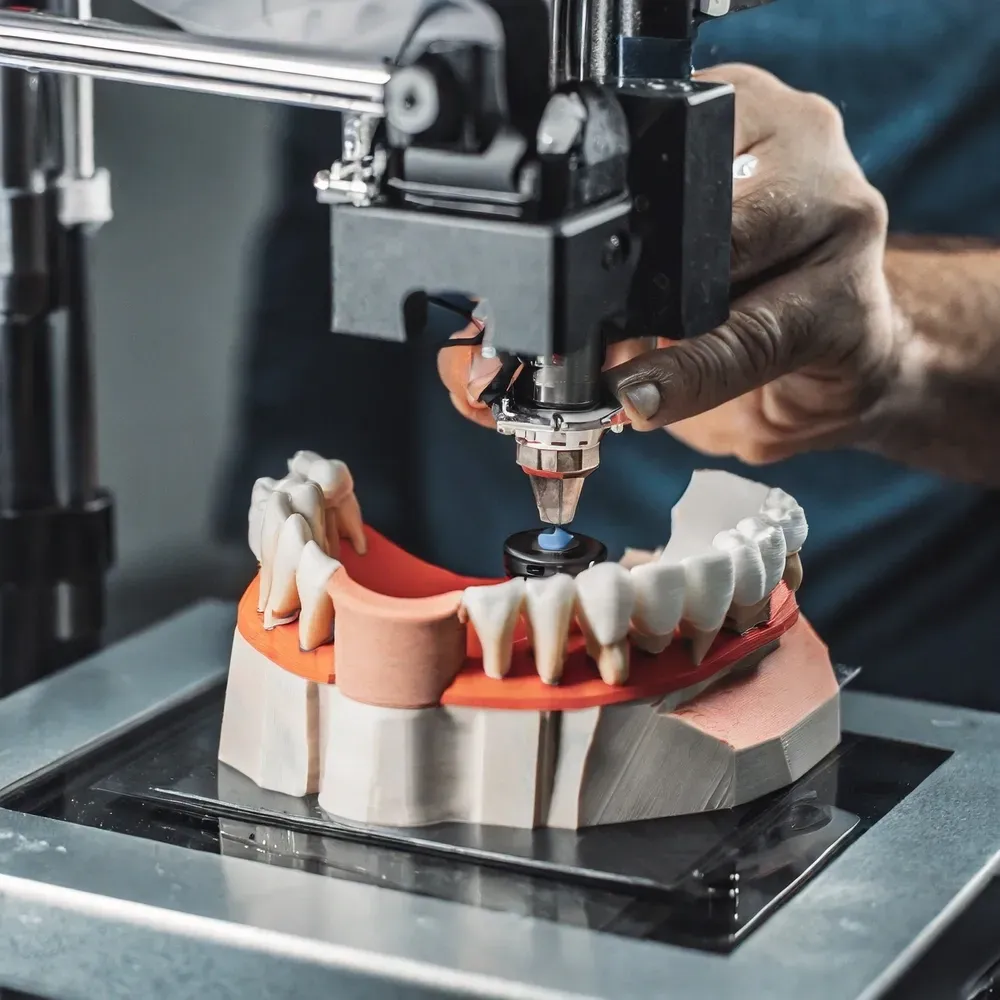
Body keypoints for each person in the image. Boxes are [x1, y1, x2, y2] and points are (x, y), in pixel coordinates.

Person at [218, 0, 1000, 711]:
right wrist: (300, 614)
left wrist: (896, 345)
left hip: (931, 669)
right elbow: (325, 230)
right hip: (449, 659)